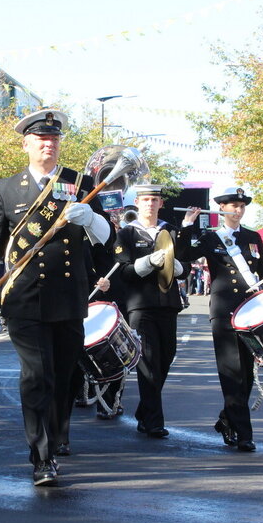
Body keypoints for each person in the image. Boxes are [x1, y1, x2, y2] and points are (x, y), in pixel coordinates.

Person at [0, 109, 111, 486]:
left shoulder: (79, 184)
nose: (48, 144)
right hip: (24, 297)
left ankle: (58, 433)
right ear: (26, 144)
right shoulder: (5, 189)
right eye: (40, 139)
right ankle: (41, 456)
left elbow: (106, 241)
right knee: (36, 376)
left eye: (53, 139)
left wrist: (91, 219)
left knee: (64, 375)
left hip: (68, 296)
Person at [177, 188, 263, 452]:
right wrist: (187, 224)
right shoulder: (210, 238)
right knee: (231, 371)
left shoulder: (253, 237)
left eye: (242, 206)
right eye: (233, 205)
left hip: (251, 311)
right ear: (222, 208)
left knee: (247, 374)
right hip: (225, 311)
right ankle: (244, 433)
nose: (239, 210)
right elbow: (183, 254)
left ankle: (227, 418)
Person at [113, 184, 186, 438]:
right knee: (148, 362)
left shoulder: (170, 231)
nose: (150, 204)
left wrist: (177, 266)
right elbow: (123, 272)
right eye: (145, 200)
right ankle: (154, 420)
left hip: (168, 303)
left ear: (160, 204)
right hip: (140, 305)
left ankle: (145, 411)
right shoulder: (126, 234)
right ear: (137, 202)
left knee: (166, 357)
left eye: (154, 200)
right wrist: (147, 263)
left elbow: (185, 264)